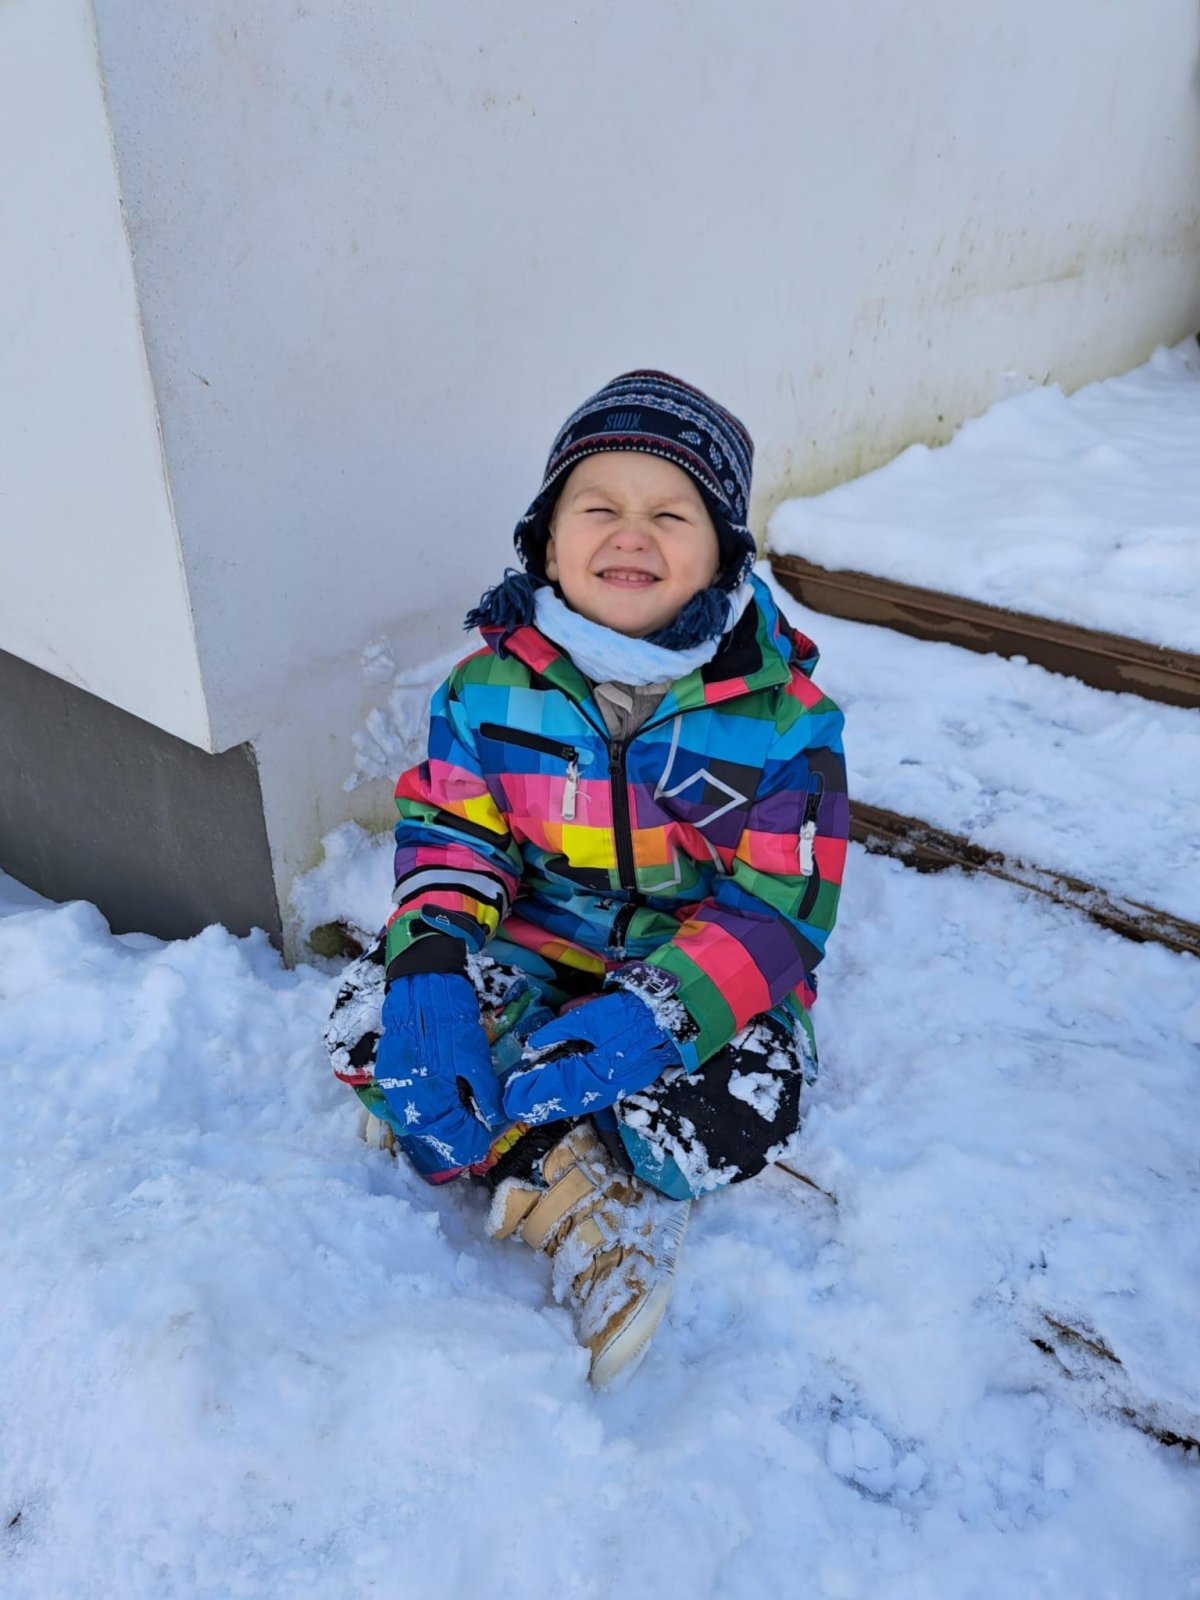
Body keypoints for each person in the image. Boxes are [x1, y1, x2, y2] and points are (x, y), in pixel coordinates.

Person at [325, 370, 848, 1386]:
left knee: (739, 1104)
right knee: (374, 1016)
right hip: (536, 942)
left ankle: (560, 1157)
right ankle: (542, 1147)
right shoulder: (485, 689)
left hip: (698, 970)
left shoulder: (786, 719)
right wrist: (431, 959)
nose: (630, 535)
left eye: (671, 514)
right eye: (597, 508)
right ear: (547, 541)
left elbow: (782, 909)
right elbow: (454, 834)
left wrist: (660, 1017)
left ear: (723, 551)